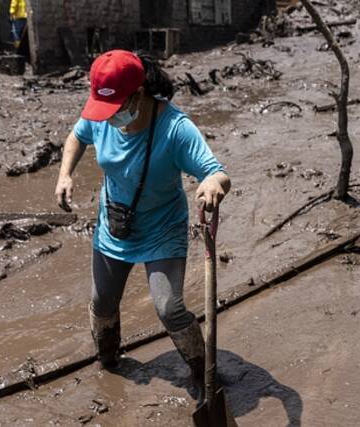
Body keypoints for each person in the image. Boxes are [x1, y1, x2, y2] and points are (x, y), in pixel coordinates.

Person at [54, 50, 231, 403]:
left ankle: (203, 372)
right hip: (115, 224)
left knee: (168, 307)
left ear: (138, 94)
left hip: (162, 227)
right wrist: (65, 174)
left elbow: (215, 171)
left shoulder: (176, 129)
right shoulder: (102, 114)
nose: (110, 118)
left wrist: (213, 184)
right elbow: (76, 136)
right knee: (102, 302)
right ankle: (107, 362)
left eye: (117, 108)